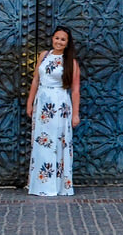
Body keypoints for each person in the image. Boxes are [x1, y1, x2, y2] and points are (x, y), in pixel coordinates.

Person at [25, 26, 79, 196]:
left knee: (55, 143)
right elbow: (35, 80)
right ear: (52, 38)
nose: (59, 42)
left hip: (59, 104)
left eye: (63, 39)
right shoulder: (44, 56)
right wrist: (30, 103)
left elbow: (76, 90)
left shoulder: (71, 62)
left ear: (67, 43)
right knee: (41, 142)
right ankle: (40, 184)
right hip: (42, 103)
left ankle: (56, 186)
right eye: (57, 38)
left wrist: (75, 114)